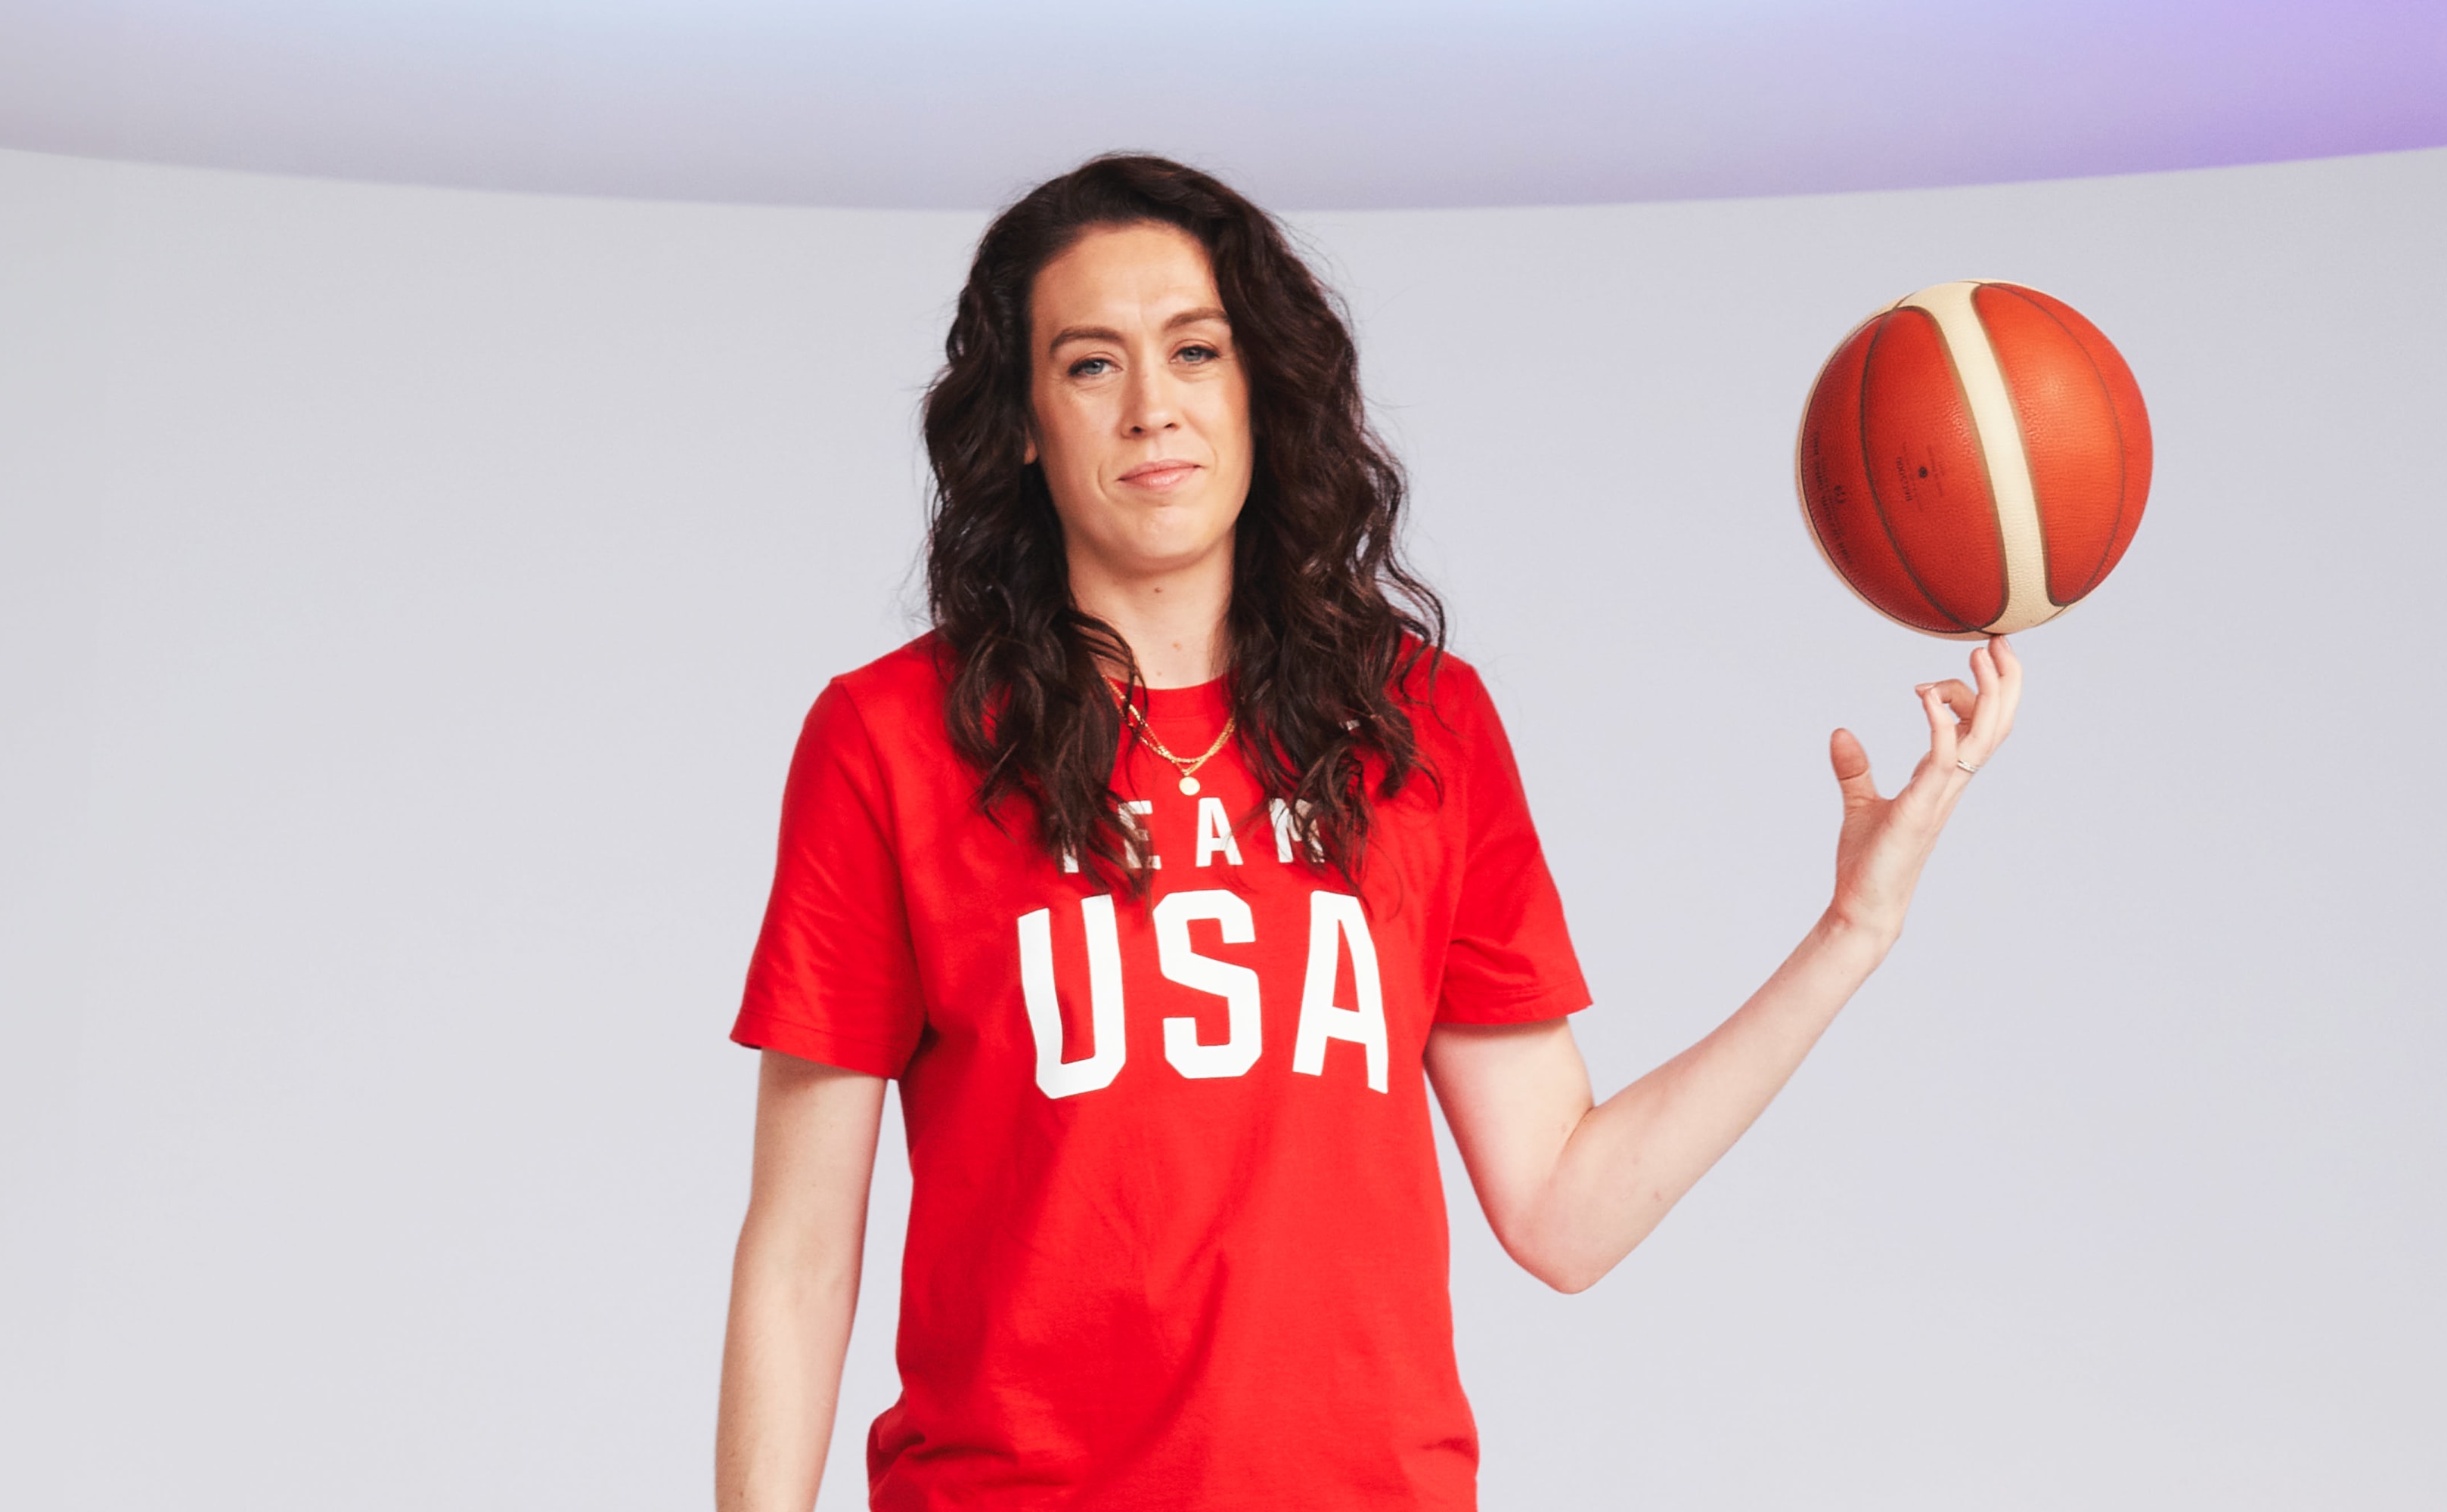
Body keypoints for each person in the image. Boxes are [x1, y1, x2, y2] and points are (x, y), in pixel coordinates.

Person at [715, 154, 2021, 1511]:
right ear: (1027, 421)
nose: (1154, 407)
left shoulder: (1421, 729)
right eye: (1091, 364)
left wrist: (1851, 932)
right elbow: (802, 1256)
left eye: (1196, 350)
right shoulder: (893, 741)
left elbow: (1564, 1212)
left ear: (1259, 387)